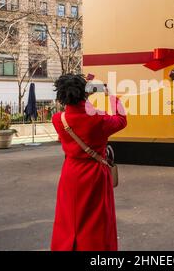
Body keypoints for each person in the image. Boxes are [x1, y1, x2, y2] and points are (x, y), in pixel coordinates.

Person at [51, 74, 127, 251]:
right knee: (96, 219)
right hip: (94, 174)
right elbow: (121, 120)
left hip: (70, 172)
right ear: (84, 93)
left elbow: (74, 114)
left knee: (68, 218)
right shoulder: (97, 119)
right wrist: (111, 97)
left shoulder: (58, 119)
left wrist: (83, 97)